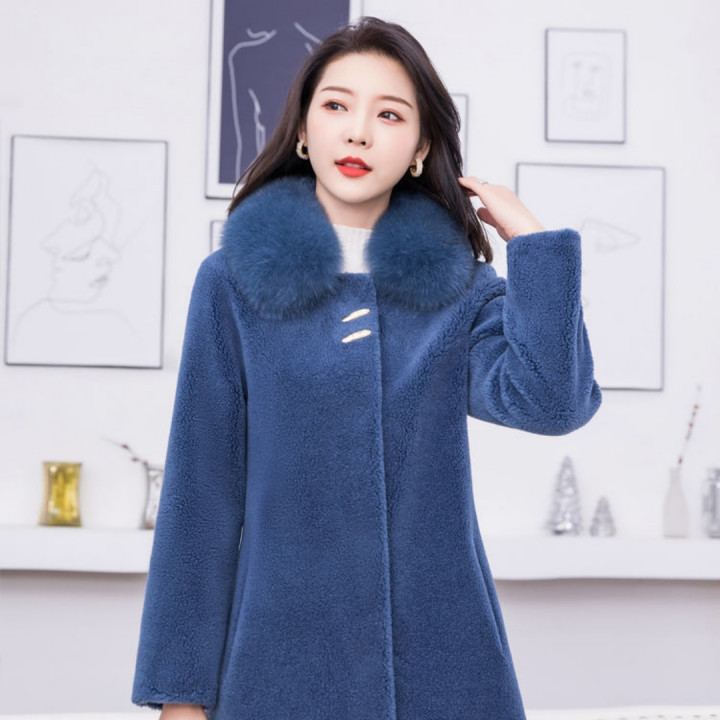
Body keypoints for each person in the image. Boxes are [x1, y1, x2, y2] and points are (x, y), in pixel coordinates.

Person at [132, 16, 601, 720]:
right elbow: (199, 499)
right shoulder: (232, 283)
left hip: (443, 669)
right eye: (336, 105)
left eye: (389, 114)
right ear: (302, 130)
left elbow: (552, 403)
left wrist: (534, 247)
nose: (358, 133)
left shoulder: (459, 291)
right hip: (277, 669)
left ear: (420, 148)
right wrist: (180, 695)